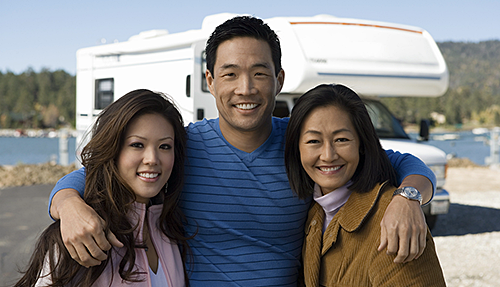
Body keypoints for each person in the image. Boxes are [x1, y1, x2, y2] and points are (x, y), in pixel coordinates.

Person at [47, 16, 436, 286]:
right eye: (230, 74)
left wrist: (409, 198)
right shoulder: (183, 144)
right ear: (210, 81)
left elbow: (403, 162)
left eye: (260, 73)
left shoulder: (305, 145)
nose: (245, 88)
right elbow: (98, 172)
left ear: (279, 79)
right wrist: (67, 203)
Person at [15, 89, 190, 286]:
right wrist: (66, 201)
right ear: (112, 150)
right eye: (137, 145)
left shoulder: (173, 230)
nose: (152, 159)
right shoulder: (78, 233)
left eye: (164, 146)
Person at [285, 84, 446, 286]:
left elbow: (406, 163)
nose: (328, 155)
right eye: (313, 141)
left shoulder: (393, 221)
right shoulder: (314, 211)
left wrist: (408, 198)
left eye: (342, 139)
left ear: (362, 144)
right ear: (296, 148)